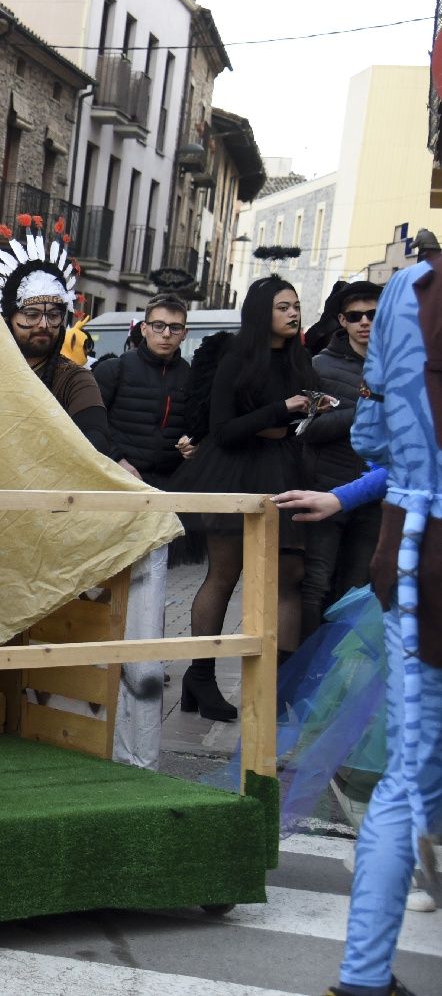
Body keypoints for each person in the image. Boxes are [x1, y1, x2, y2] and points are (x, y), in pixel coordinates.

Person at [294, 231, 441, 996]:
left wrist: (348, 494)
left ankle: (361, 981)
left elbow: (374, 436)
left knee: (409, 779)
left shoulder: (406, 293)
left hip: (410, 554)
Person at [175, 274, 331, 721]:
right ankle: (200, 677)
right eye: (283, 307)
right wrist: (285, 408)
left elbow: (299, 415)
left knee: (291, 572)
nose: (293, 313)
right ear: (263, 312)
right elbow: (223, 430)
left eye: (296, 305)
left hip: (286, 466)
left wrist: (312, 410)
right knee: (224, 573)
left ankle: (276, 686)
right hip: (235, 470)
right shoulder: (236, 359)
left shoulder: (301, 359)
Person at [93, 293, 192, 768]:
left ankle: (140, 675)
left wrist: (190, 451)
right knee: (104, 589)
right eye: (159, 325)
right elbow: (91, 426)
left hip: (162, 498)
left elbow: (194, 431)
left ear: (184, 332)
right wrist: (117, 462)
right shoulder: (114, 371)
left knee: (150, 594)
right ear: (144, 327)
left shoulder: (191, 380)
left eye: (175, 327)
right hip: (114, 496)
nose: (166, 334)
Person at [0, 215, 117, 457]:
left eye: (53, 315)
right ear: (9, 317)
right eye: (31, 314)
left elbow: (96, 440)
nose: (44, 324)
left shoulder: (76, 380)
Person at [300, 281, 385, 639]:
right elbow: (307, 429)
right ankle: (298, 673)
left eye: (373, 314)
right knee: (314, 586)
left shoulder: (403, 365)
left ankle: (333, 682)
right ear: (342, 321)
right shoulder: (320, 365)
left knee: (354, 591)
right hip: (326, 489)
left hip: (377, 495)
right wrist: (363, 410)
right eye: (355, 316)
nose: (365, 322)